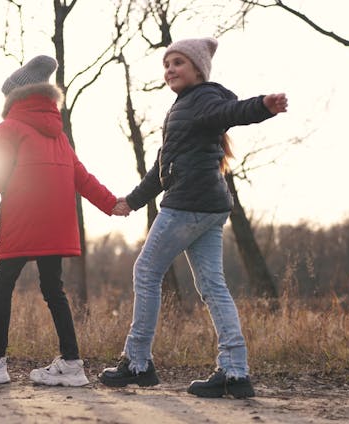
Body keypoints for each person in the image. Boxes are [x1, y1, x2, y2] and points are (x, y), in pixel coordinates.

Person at [98, 37, 288, 399]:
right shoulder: (183, 108)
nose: (170, 70)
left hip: (188, 203)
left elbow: (230, 113)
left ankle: (137, 362)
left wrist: (263, 106)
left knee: (146, 271)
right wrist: (131, 202)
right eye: (167, 64)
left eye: (178, 63)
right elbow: (161, 169)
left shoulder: (204, 99)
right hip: (209, 205)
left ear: (198, 69)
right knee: (213, 286)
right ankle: (235, 373)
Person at [0, 55, 121, 386]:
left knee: (3, 282)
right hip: (56, 223)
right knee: (54, 289)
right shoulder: (59, 134)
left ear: (16, 97)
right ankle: (72, 364)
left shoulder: (8, 129)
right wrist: (111, 204)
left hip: (24, 220)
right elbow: (80, 176)